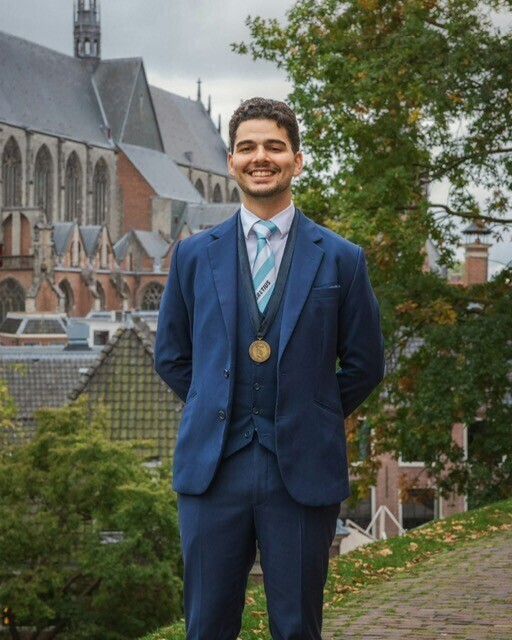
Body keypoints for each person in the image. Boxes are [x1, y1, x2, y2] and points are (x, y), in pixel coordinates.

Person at [155, 97, 385, 640]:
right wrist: (216, 404)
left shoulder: (342, 258)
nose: (261, 157)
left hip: (301, 471)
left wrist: (309, 412)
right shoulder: (192, 256)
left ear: (296, 161)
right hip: (212, 471)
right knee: (206, 627)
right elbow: (172, 356)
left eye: (274, 147)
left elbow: (365, 363)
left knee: (297, 627)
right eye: (248, 147)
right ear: (231, 162)